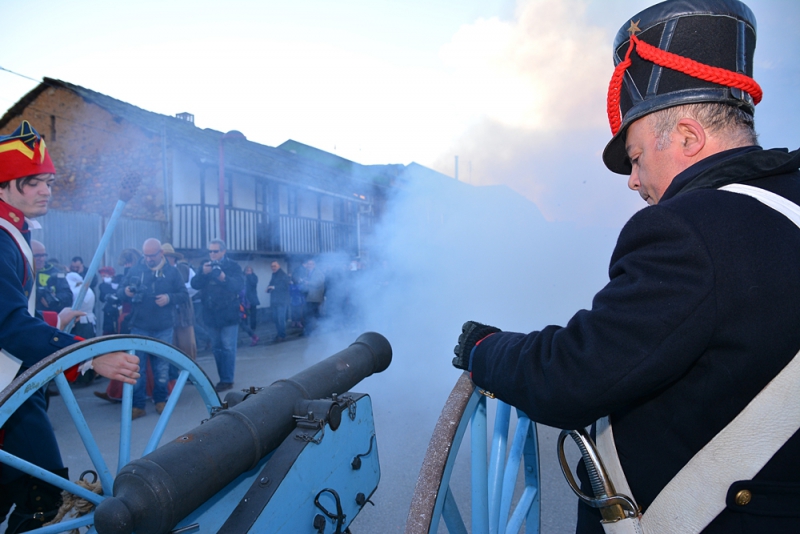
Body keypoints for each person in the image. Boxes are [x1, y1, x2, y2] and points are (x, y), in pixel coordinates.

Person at [453, 1, 800, 532]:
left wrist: (487, 349)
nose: (634, 182)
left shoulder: (691, 228)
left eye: (636, 158)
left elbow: (573, 375)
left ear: (688, 137)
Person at [0, 120, 139, 532]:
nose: (46, 190)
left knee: (24, 486)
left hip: (14, 379)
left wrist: (52, 320)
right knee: (42, 495)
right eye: (31, 182)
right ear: (3, 188)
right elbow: (7, 324)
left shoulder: (11, 234)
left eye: (47, 181)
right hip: (9, 387)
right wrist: (90, 355)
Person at [117, 238, 188, 419]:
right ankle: (138, 406)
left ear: (161, 253)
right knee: (136, 368)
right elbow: (119, 292)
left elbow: (184, 295)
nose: (148, 259)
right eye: (146, 255)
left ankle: (160, 401)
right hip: (139, 326)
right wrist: (126, 292)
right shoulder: (135, 270)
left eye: (152, 255)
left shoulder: (172, 272)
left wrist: (169, 298)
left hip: (163, 327)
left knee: (162, 368)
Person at [191, 239, 244, 392]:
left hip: (228, 313)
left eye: (215, 251)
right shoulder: (205, 266)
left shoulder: (232, 266)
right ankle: (223, 378)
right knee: (217, 348)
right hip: (211, 313)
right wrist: (202, 272)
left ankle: (227, 380)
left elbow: (239, 286)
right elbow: (195, 284)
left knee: (228, 347)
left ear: (223, 251)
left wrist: (223, 278)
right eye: (210, 251)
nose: (212, 254)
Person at [162, 243, 197, 360]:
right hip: (166, 316)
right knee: (171, 348)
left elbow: (195, 287)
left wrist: (178, 292)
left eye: (167, 256)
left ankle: (190, 374)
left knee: (188, 346)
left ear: (173, 257)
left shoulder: (185, 269)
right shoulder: (158, 272)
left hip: (184, 314)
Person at [31, 239, 72, 313]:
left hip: (47, 318)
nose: (41, 259)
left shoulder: (56, 273)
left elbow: (68, 296)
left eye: (43, 255)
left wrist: (55, 299)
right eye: (37, 256)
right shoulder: (20, 271)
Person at [266, 261, 290, 342]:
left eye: (274, 266)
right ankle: (279, 333)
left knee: (280, 319)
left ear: (279, 266)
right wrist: (268, 288)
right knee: (276, 319)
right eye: (272, 266)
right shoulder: (274, 274)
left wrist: (273, 287)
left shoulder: (283, 275)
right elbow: (271, 284)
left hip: (282, 301)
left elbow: (285, 287)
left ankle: (282, 335)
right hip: (275, 301)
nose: (273, 268)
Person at [243, 265, 260, 333]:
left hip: (252, 298)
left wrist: (249, 276)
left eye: (250, 270)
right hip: (244, 299)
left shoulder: (254, 277)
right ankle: (245, 327)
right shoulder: (242, 277)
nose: (248, 272)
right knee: (244, 314)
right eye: (247, 270)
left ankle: (253, 327)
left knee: (253, 314)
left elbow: (254, 283)